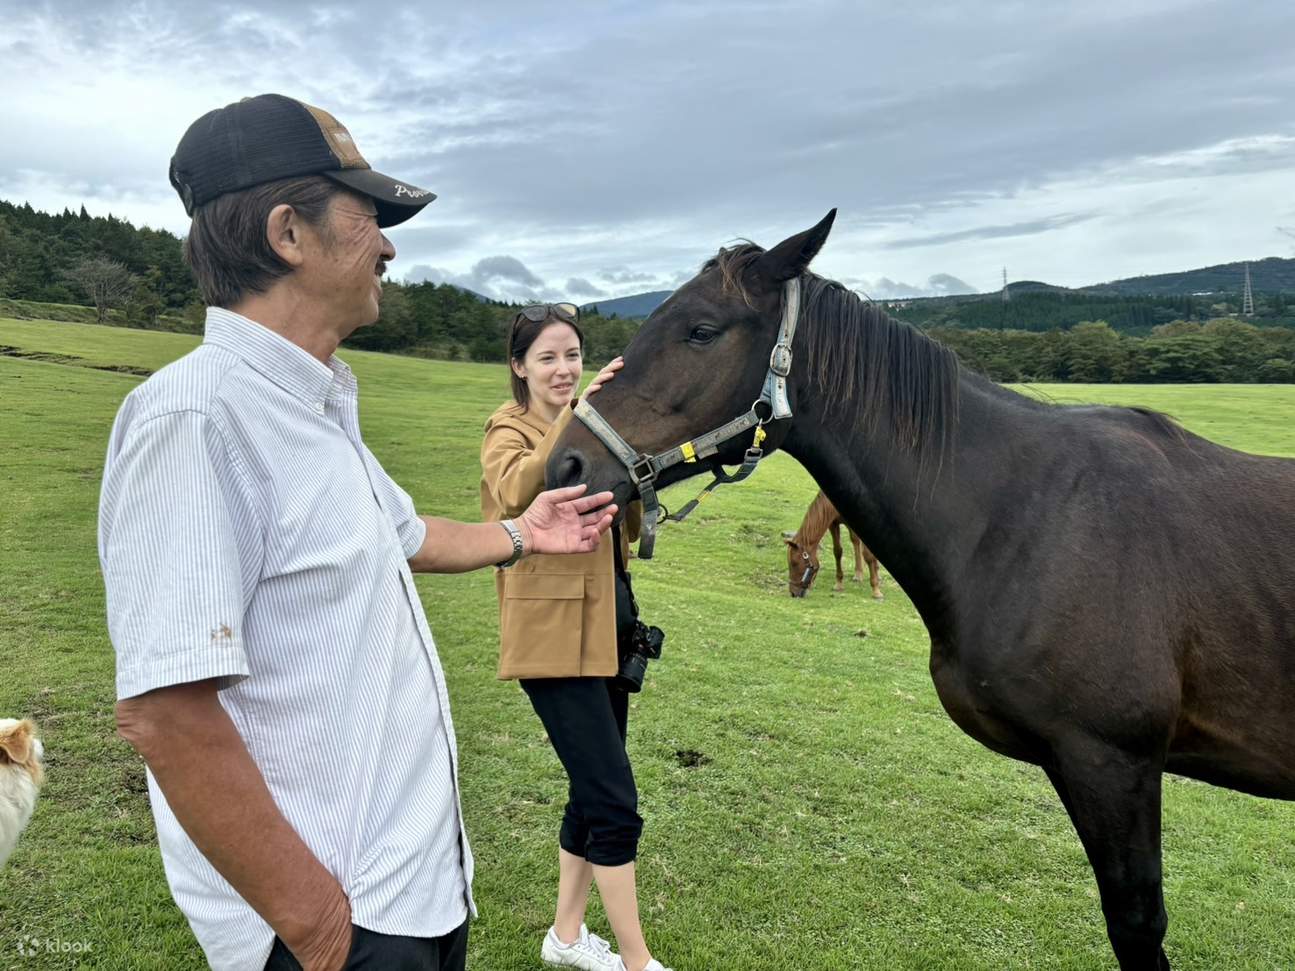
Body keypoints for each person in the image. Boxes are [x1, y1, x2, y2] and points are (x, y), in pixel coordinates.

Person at [99, 94, 616, 971]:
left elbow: (408, 536)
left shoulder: (317, 404)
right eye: (368, 215)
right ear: (287, 234)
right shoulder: (195, 419)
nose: (387, 243)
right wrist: (320, 930)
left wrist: (526, 531)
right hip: (335, 922)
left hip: (406, 892)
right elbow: (165, 712)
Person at [480, 304, 673, 971]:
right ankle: (637, 961)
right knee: (614, 801)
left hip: (609, 625)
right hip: (551, 637)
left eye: (572, 356)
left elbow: (624, 517)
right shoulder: (508, 428)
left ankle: (564, 936)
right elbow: (511, 492)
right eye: (547, 358)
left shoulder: (597, 428)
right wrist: (580, 414)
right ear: (518, 366)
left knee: (589, 792)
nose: (563, 370)